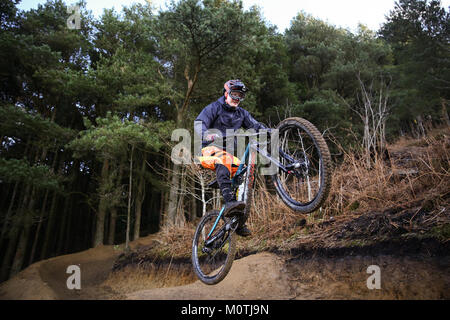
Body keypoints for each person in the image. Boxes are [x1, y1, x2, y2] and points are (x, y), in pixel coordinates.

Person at [194, 79, 266, 237]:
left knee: (246, 172)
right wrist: (207, 134)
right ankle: (229, 203)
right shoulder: (214, 107)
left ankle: (237, 219)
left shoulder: (241, 113)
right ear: (226, 93)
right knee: (224, 159)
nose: (237, 98)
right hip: (207, 150)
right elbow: (199, 123)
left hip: (228, 155)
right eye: (234, 94)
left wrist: (269, 130)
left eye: (240, 95)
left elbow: (255, 126)